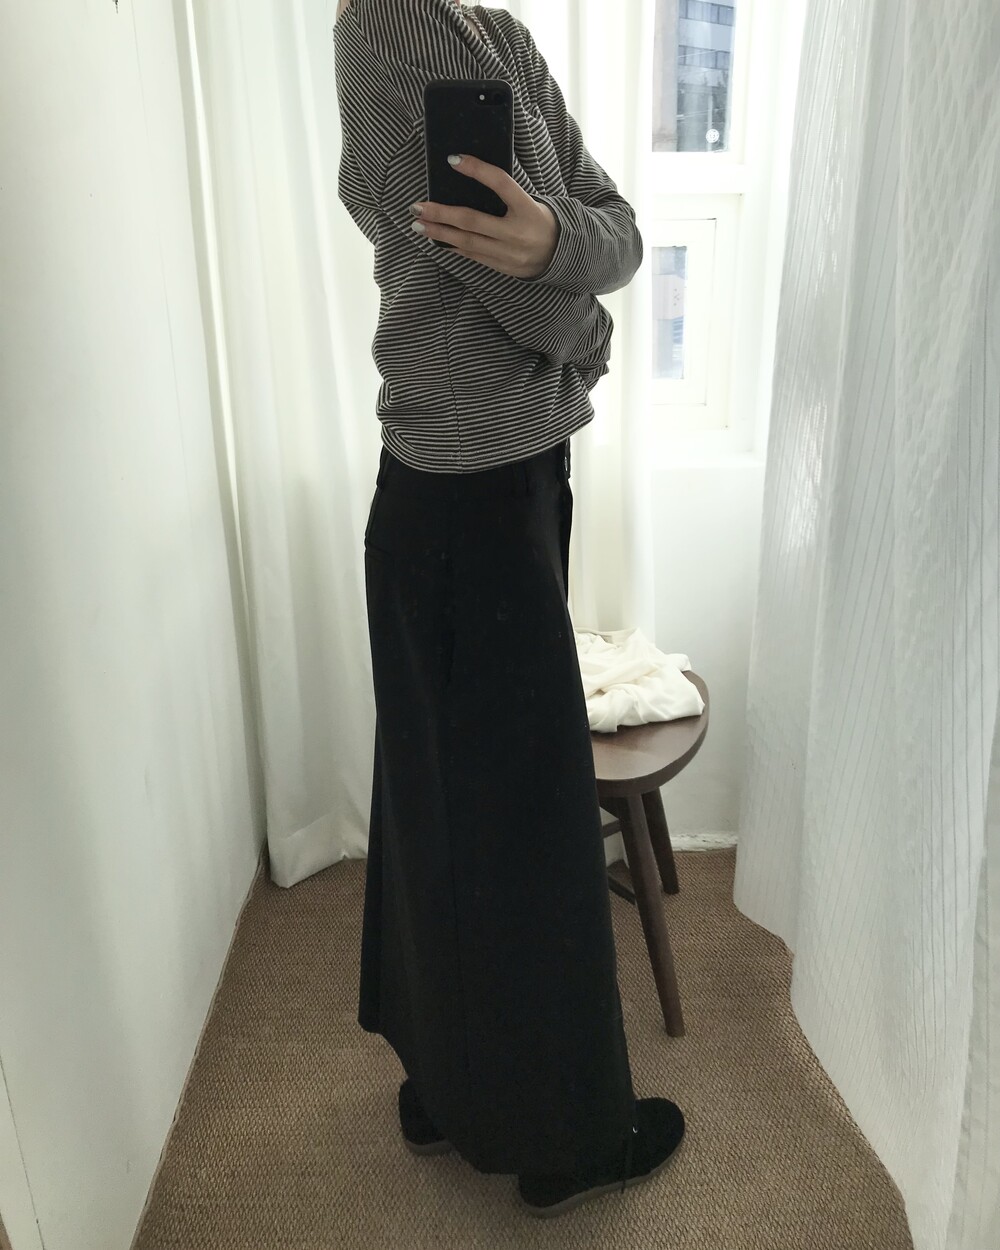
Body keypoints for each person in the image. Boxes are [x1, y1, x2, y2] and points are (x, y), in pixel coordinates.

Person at [333, 0, 685, 1218]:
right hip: (468, 494)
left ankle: (448, 1082)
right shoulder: (397, 27)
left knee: (448, 798)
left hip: (486, 483)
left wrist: (561, 245)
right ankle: (568, 1137)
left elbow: (612, 221)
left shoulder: (490, 28)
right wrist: (587, 321)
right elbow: (507, 277)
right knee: (523, 817)